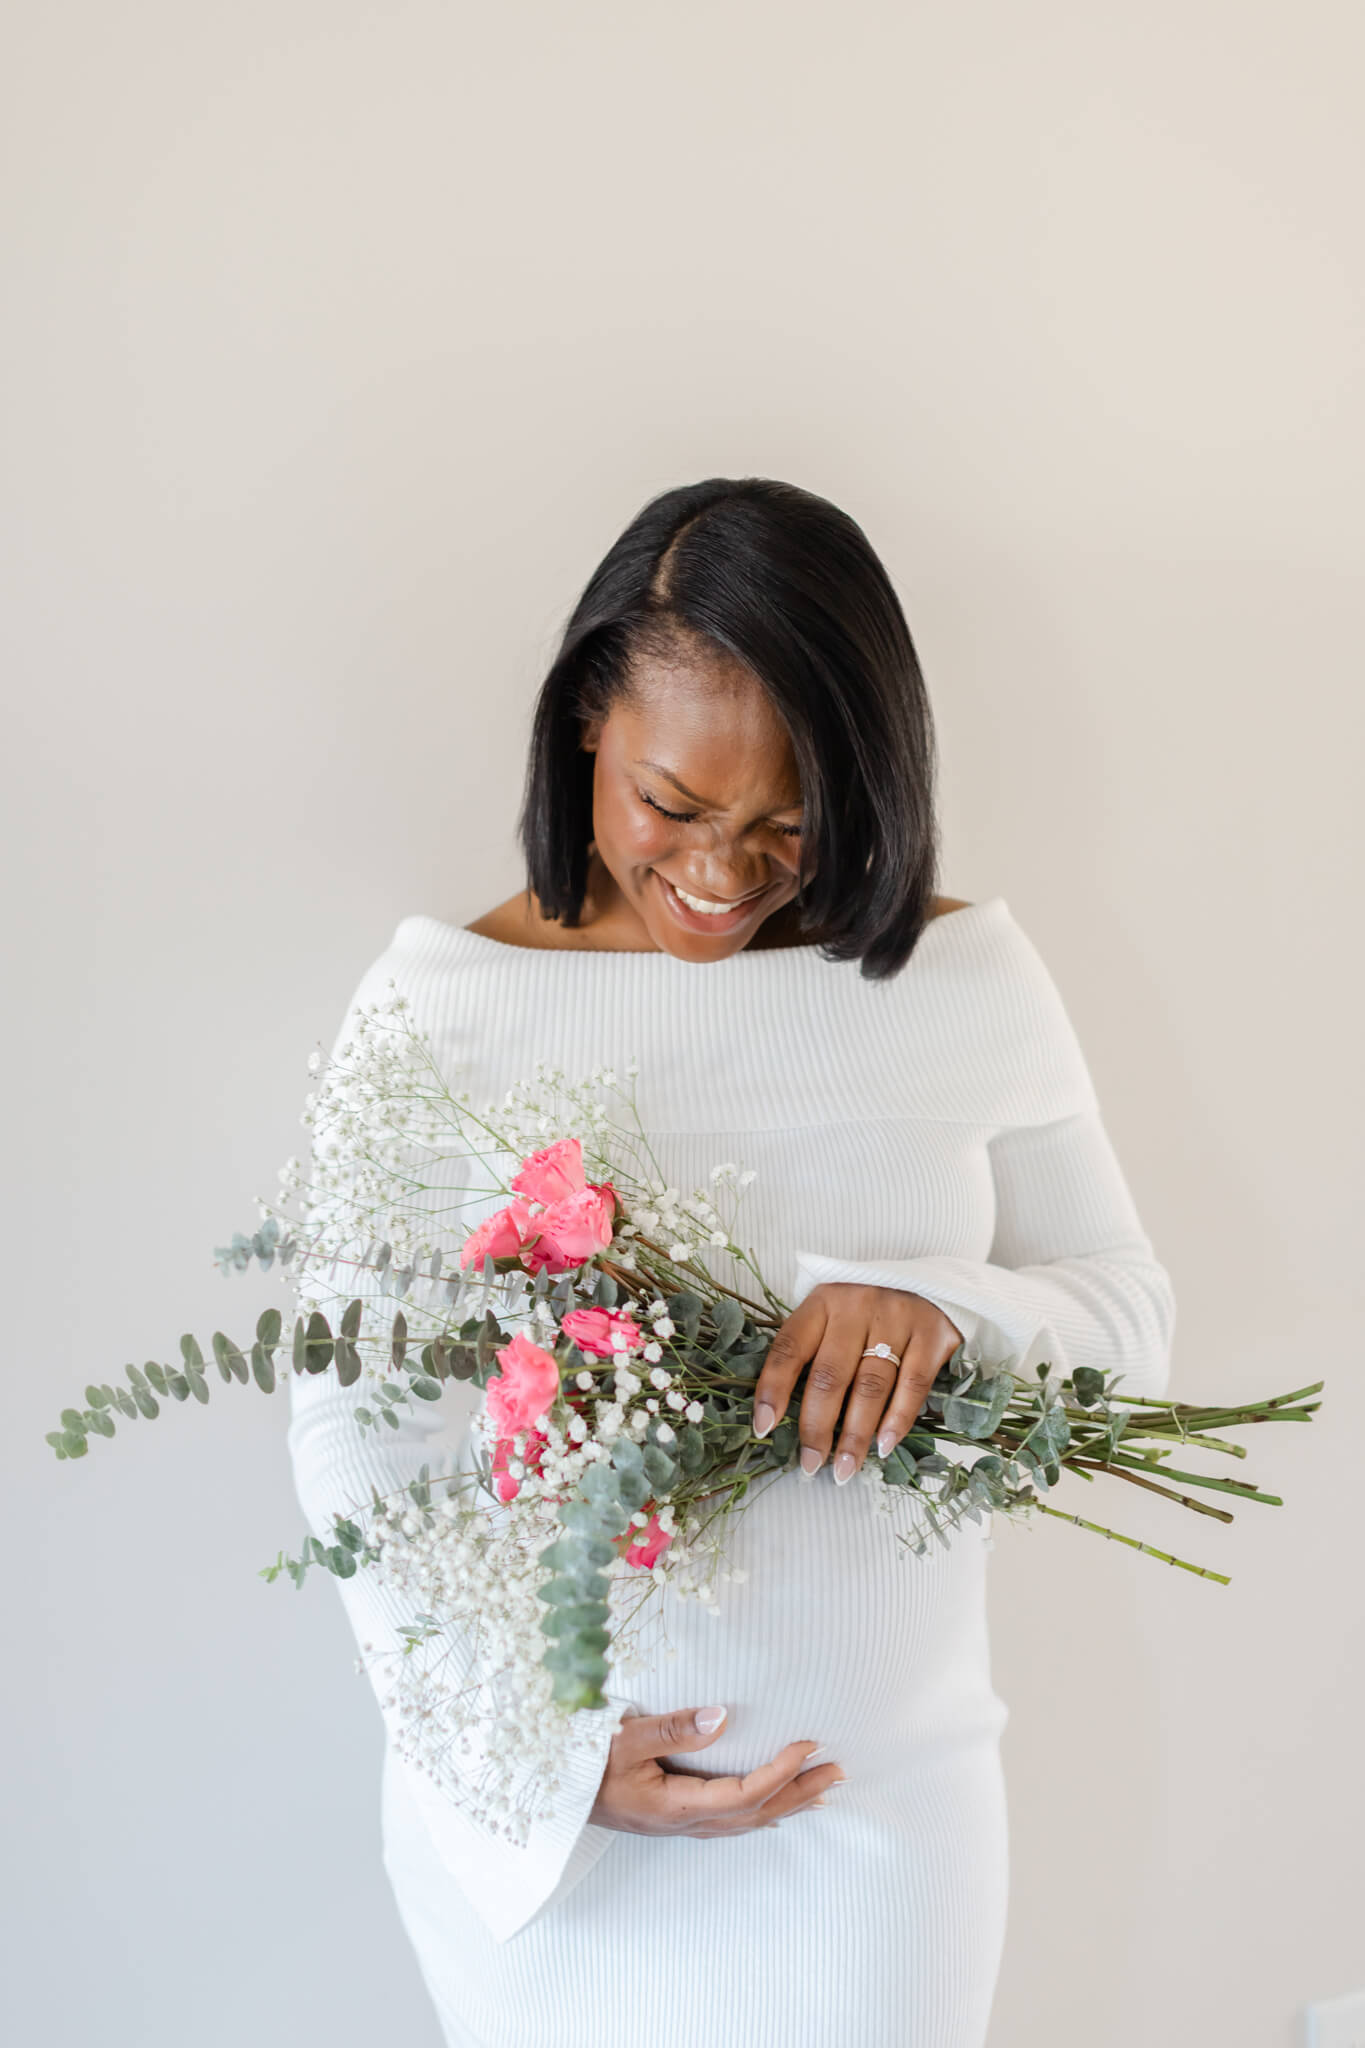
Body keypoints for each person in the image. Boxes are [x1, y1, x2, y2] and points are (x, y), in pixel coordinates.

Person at [286, 476, 1175, 2048]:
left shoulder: (966, 982)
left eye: (787, 821)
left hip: (874, 1809)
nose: (720, 873)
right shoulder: (438, 1009)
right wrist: (534, 1757)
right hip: (557, 1839)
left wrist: (938, 1318)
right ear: (583, 730)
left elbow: (1124, 1320)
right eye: (673, 806)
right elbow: (356, 1429)